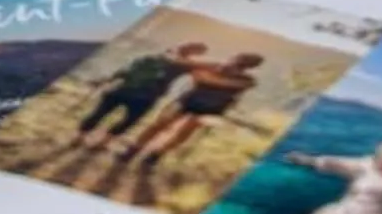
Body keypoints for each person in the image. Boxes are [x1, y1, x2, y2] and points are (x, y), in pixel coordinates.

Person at [128, 50, 268, 167]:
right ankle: (143, 151)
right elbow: (184, 64)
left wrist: (203, 76)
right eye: (239, 60)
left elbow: (213, 80)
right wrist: (182, 58)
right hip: (198, 103)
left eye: (243, 61)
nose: (236, 63)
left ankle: (150, 153)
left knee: (176, 131)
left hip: (201, 105)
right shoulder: (225, 70)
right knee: (168, 128)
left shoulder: (245, 79)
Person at [75, 42, 209, 146]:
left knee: (100, 112)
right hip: (146, 96)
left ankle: (80, 136)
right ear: (194, 53)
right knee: (129, 121)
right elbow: (202, 72)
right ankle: (103, 141)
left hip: (123, 89)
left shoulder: (151, 56)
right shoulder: (185, 65)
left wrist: (109, 81)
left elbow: (125, 71)